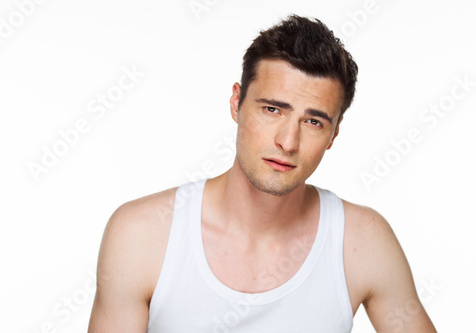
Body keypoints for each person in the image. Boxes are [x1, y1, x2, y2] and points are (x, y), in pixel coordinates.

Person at [88, 14, 436, 332]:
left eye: (313, 122)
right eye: (272, 109)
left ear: (334, 134)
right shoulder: (142, 235)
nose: (288, 141)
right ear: (236, 103)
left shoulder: (363, 241)